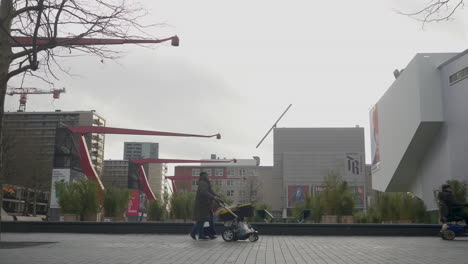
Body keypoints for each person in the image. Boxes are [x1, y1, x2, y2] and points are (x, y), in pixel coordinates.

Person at [190, 172, 220, 240]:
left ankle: (201, 235)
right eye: (207, 175)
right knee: (201, 220)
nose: (208, 176)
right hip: (202, 205)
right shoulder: (202, 183)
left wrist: (216, 196)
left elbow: (210, 191)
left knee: (202, 220)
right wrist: (213, 197)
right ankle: (193, 232)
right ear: (204, 176)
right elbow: (204, 192)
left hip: (205, 204)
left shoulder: (206, 183)